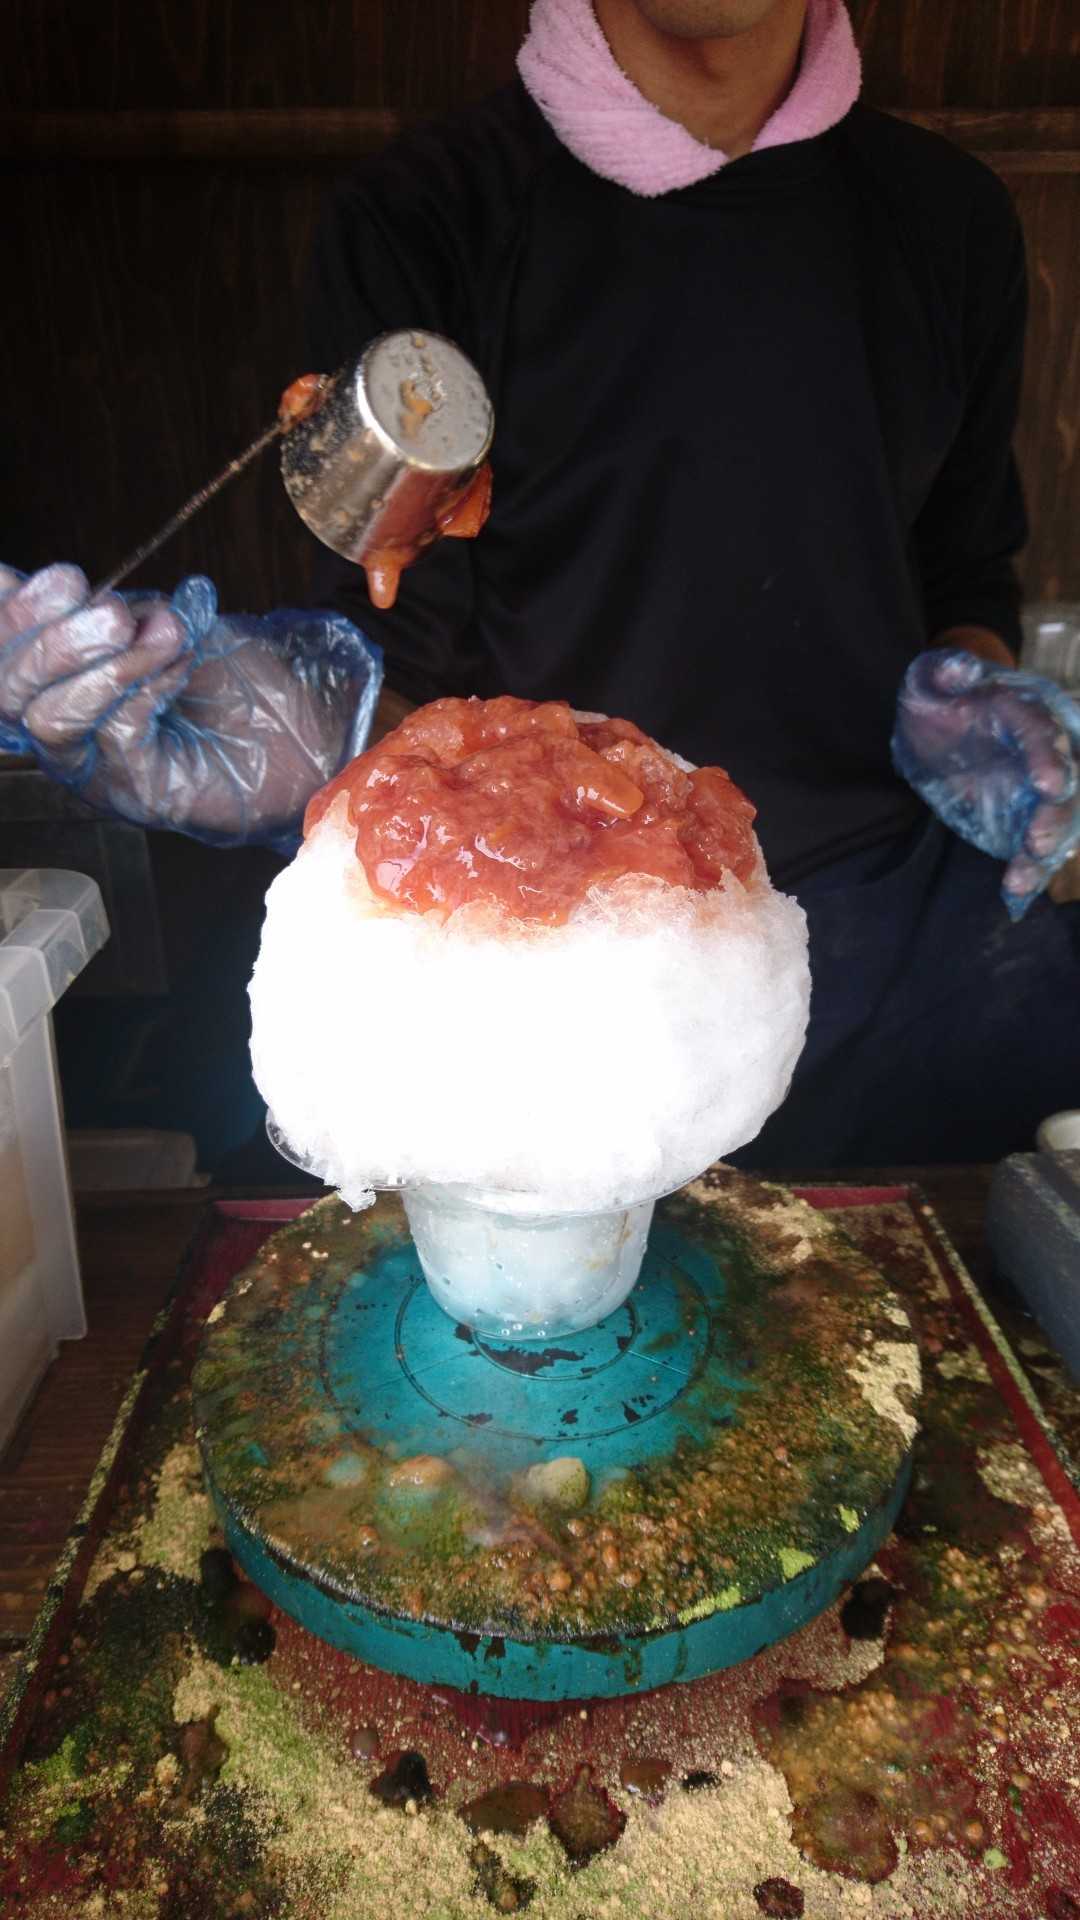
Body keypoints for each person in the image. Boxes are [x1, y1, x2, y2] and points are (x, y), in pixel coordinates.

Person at [2, 0, 1078, 1168]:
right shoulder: (428, 213)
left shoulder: (949, 215)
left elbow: (967, 566)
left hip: (897, 931)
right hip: (540, 955)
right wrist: (317, 734)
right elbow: (401, 642)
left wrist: (974, 696)